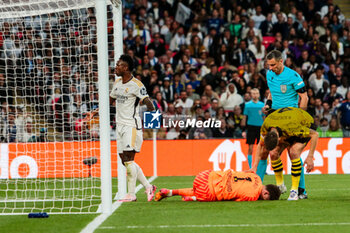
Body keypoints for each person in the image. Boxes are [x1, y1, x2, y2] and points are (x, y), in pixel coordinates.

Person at [258, 50, 309, 199]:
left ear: (281, 61)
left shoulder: (293, 76)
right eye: (269, 65)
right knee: (271, 152)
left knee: (293, 153)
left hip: (291, 118)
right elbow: (272, 92)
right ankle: (278, 186)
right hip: (274, 117)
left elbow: (304, 97)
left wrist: (301, 116)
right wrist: (268, 104)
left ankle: (301, 189)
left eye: (273, 65)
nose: (271, 68)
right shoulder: (270, 74)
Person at [109, 54, 157, 202]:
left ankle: (131, 194)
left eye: (118, 65)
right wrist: (95, 112)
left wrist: (152, 119)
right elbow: (109, 101)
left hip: (131, 125)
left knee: (129, 161)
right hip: (120, 127)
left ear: (126, 68)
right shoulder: (117, 83)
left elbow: (150, 104)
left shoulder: (137, 85)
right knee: (124, 160)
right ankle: (149, 186)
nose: (116, 67)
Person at [251, 107, 318, 200]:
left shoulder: (293, 128)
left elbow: (315, 134)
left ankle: (294, 191)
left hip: (305, 123)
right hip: (284, 124)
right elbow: (260, 145)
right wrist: (254, 165)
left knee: (294, 151)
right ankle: (280, 185)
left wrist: (310, 156)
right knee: (273, 153)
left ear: (279, 139)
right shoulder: (265, 126)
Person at [154, 169, 281, 202]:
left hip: (205, 175)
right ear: (266, 193)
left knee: (198, 189)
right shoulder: (253, 196)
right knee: (214, 195)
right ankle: (193, 198)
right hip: (207, 191)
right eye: (266, 199)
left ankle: (170, 192)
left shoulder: (256, 176)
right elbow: (235, 200)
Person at [241, 88, 264, 168]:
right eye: (253, 93)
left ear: (259, 94)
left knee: (261, 149)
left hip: (260, 128)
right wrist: (243, 130)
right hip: (251, 128)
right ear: (251, 95)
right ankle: (250, 167)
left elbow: (264, 118)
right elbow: (244, 117)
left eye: (256, 93)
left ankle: (260, 167)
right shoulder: (247, 105)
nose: (255, 95)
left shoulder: (262, 105)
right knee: (250, 148)